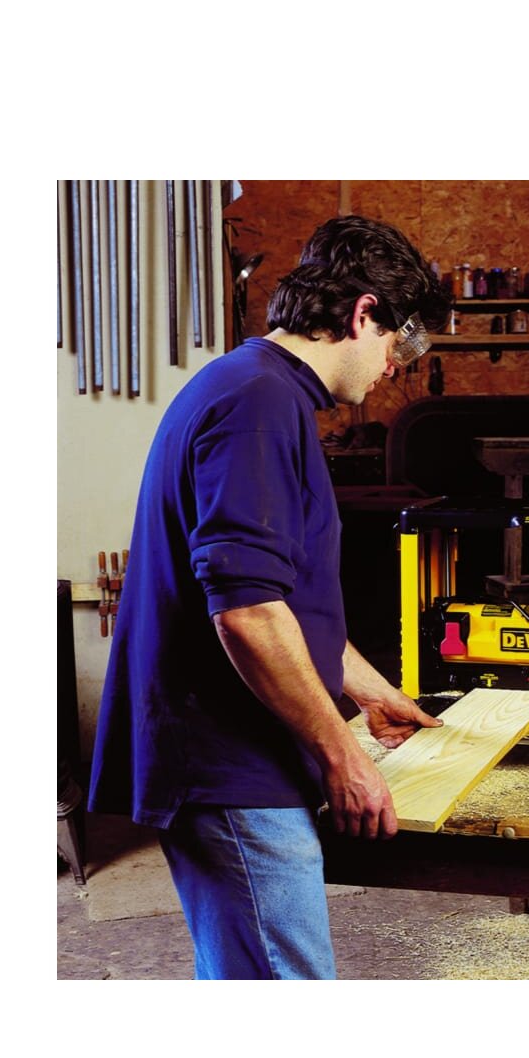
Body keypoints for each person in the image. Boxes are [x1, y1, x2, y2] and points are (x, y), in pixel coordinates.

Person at [88, 215, 451, 979]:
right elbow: (248, 614)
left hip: (241, 758)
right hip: (230, 765)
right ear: (363, 315)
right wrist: (342, 758)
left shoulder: (253, 386)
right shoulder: (257, 404)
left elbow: (281, 597)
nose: (394, 368)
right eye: (396, 344)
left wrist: (370, 691)